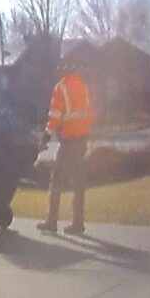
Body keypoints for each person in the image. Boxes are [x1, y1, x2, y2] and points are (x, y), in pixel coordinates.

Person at [36, 57, 96, 237]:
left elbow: (55, 116)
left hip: (69, 140)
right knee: (79, 182)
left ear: (63, 69)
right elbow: (91, 112)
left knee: (57, 179)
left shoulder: (60, 88)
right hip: (82, 139)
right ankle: (78, 223)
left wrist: (46, 136)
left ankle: (51, 221)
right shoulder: (83, 85)